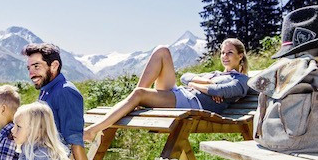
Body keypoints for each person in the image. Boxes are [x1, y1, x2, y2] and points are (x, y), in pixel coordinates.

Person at [83, 38, 250, 143]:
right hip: (182, 94)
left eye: (230, 52)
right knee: (162, 51)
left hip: (191, 103)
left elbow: (219, 91)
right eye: (222, 52)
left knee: (139, 94)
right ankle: (134, 103)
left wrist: (200, 86)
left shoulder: (241, 81)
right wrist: (205, 83)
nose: (224, 56)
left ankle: (93, 131)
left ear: (240, 56)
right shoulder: (215, 73)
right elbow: (185, 76)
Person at [21, 43, 116, 160]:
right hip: (37, 156)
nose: (31, 73)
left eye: (36, 66)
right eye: (29, 68)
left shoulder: (66, 92)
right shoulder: (46, 90)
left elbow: (75, 141)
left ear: (54, 65)